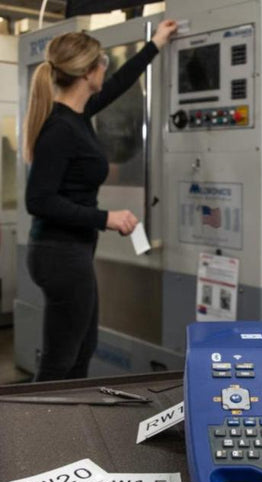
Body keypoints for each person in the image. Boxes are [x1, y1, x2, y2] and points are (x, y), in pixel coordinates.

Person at [24, 19, 177, 382]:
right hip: (58, 254)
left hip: (70, 252)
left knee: (81, 349)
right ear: (88, 72)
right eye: (102, 63)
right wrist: (104, 217)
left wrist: (155, 43)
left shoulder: (79, 114)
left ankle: (69, 430)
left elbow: (120, 84)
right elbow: (39, 200)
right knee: (60, 362)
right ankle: (38, 433)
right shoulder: (60, 128)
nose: (105, 70)